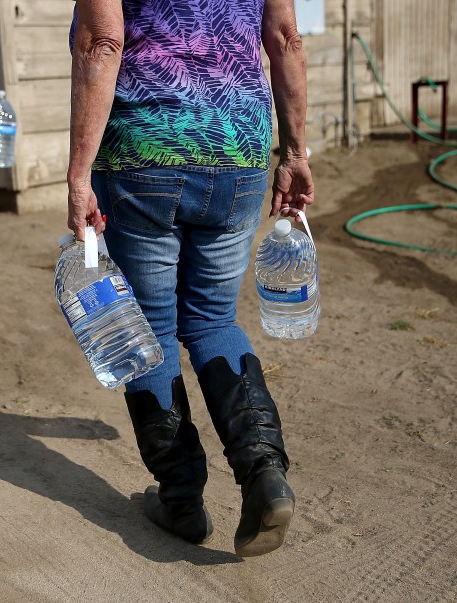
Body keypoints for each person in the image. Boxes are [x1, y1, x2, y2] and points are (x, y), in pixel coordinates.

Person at [67, 0, 315, 557]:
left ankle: (180, 499)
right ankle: (265, 475)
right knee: (212, 320)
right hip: (239, 151)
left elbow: (101, 42)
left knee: (149, 331)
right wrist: (295, 151)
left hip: (146, 152)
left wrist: (79, 173)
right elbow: (286, 39)